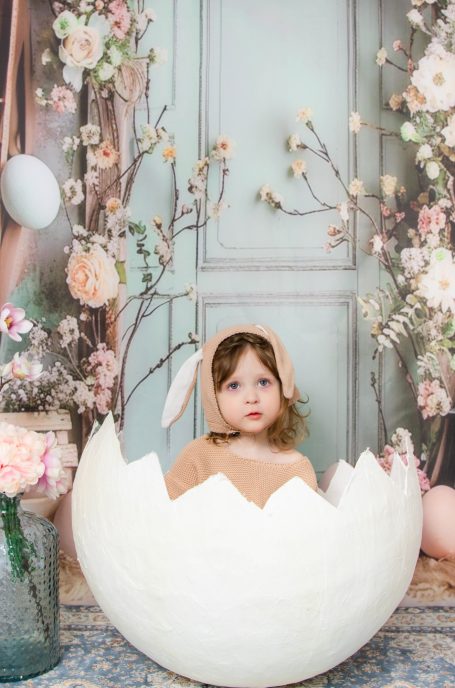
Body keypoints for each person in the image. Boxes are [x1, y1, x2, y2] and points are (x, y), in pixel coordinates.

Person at [162, 324, 317, 508]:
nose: (251, 398)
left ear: (283, 385)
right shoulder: (197, 458)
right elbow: (163, 516)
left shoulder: (297, 471)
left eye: (263, 382)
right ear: (213, 396)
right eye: (234, 386)